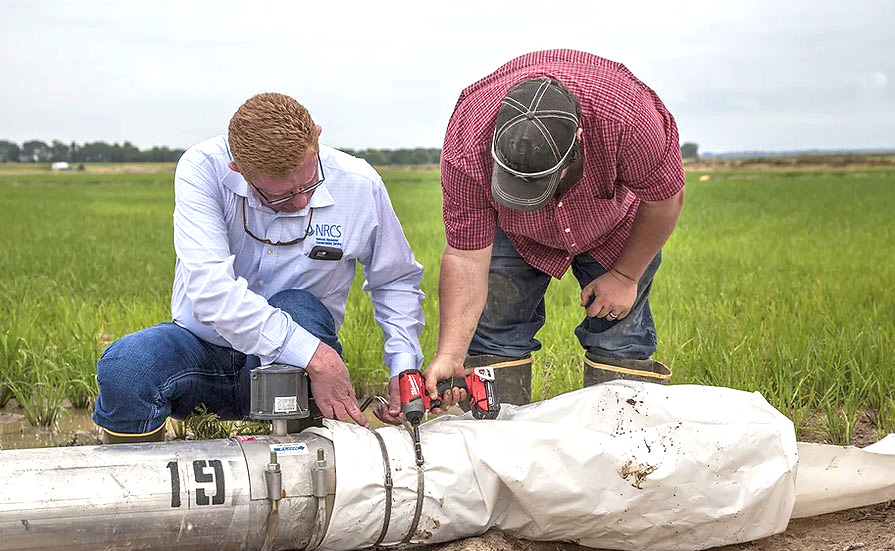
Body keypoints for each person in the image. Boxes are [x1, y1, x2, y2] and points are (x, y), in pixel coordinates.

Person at [93, 93, 424, 442]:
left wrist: (403, 368)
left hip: (294, 370)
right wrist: (316, 355)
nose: (300, 202)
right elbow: (213, 295)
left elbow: (395, 280)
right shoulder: (203, 168)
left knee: (298, 306)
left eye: (309, 184)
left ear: (317, 137)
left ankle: (305, 456)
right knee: (125, 369)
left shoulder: (360, 184)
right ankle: (144, 481)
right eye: (280, 196)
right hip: (203, 350)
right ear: (239, 170)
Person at [422, 49, 686, 409]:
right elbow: (466, 257)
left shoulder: (627, 118)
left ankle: (625, 451)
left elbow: (664, 198)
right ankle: (497, 446)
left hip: (609, 219)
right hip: (512, 229)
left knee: (620, 335)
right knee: (496, 333)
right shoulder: (469, 139)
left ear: (578, 139)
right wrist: (451, 353)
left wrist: (625, 276)